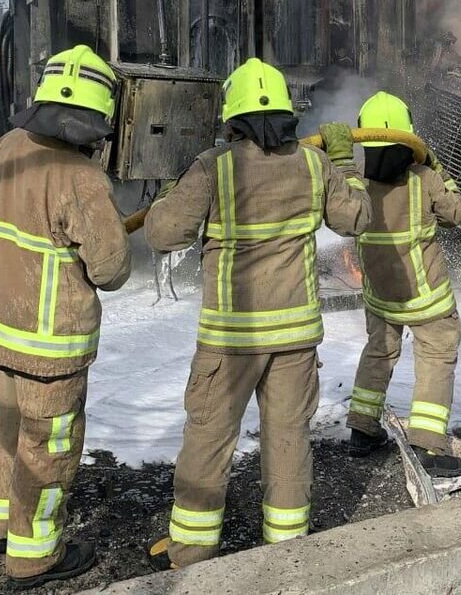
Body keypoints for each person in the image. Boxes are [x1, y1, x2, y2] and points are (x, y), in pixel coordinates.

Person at [144, 58, 371, 569]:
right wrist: (344, 162)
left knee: (208, 438)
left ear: (234, 118)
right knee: (288, 438)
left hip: (231, 339)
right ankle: (287, 550)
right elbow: (356, 217)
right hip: (294, 338)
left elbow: (163, 234)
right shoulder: (315, 165)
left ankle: (191, 552)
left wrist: (170, 195)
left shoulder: (214, 168)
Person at [0, 45, 132, 589]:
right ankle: (34, 556)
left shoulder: (5, 148)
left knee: (10, 432)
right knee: (47, 448)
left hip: (0, 332)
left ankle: (1, 525)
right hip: (51, 350)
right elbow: (111, 270)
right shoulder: (81, 178)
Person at [345, 91, 461, 478]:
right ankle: (427, 445)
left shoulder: (357, 183)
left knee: (378, 353)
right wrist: (439, 168)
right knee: (436, 356)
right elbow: (456, 214)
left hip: (380, 296)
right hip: (426, 298)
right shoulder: (424, 178)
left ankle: (362, 430)